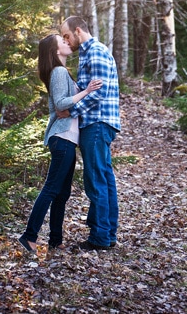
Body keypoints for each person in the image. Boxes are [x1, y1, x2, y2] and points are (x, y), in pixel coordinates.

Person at [19, 34, 102, 254]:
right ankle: (29, 236)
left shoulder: (63, 73)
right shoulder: (58, 72)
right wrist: (86, 91)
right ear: (55, 51)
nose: (67, 43)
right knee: (51, 189)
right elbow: (60, 104)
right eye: (62, 42)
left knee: (62, 194)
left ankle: (55, 240)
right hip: (61, 138)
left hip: (68, 140)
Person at [59, 16, 121, 251]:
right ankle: (107, 233)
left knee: (96, 180)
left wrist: (71, 111)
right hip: (98, 123)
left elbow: (97, 93)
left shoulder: (94, 51)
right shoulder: (88, 53)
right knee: (104, 179)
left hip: (96, 123)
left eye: (66, 36)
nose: (66, 41)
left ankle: (100, 237)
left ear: (77, 31)